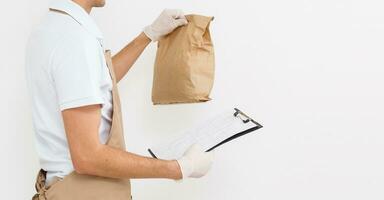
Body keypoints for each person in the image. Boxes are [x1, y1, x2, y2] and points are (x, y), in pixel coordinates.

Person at [25, 0, 214, 199]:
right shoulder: (75, 40)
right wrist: (180, 167)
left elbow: (96, 82)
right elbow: (87, 156)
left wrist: (148, 35)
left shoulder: (51, 28)